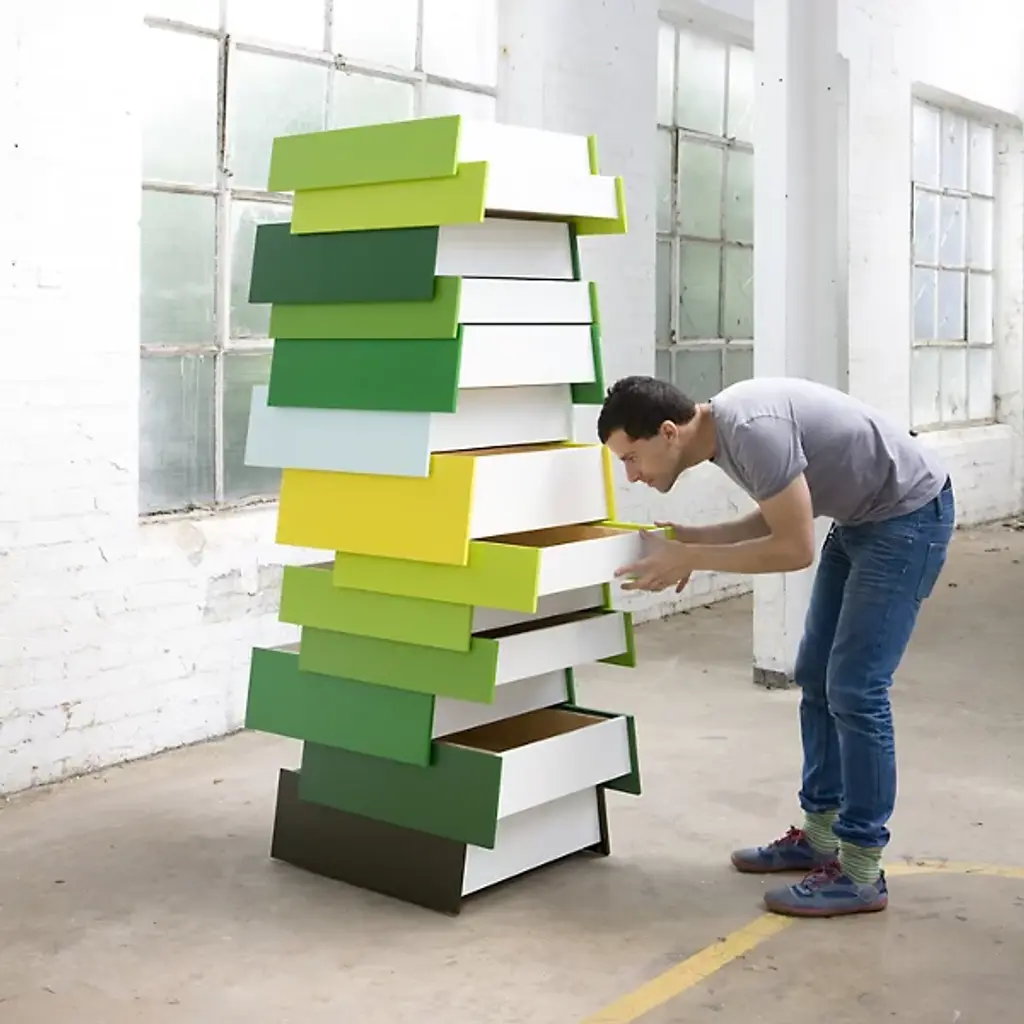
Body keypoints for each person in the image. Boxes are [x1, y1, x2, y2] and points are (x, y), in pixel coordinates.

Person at [597, 375, 954, 918]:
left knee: (856, 689)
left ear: (668, 432)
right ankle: (821, 836)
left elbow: (793, 548)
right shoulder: (724, 434)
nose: (631, 474)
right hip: (861, 519)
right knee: (815, 673)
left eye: (630, 458)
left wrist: (691, 558)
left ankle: (861, 872)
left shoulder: (751, 431)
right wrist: (693, 539)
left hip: (908, 517)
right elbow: (782, 510)